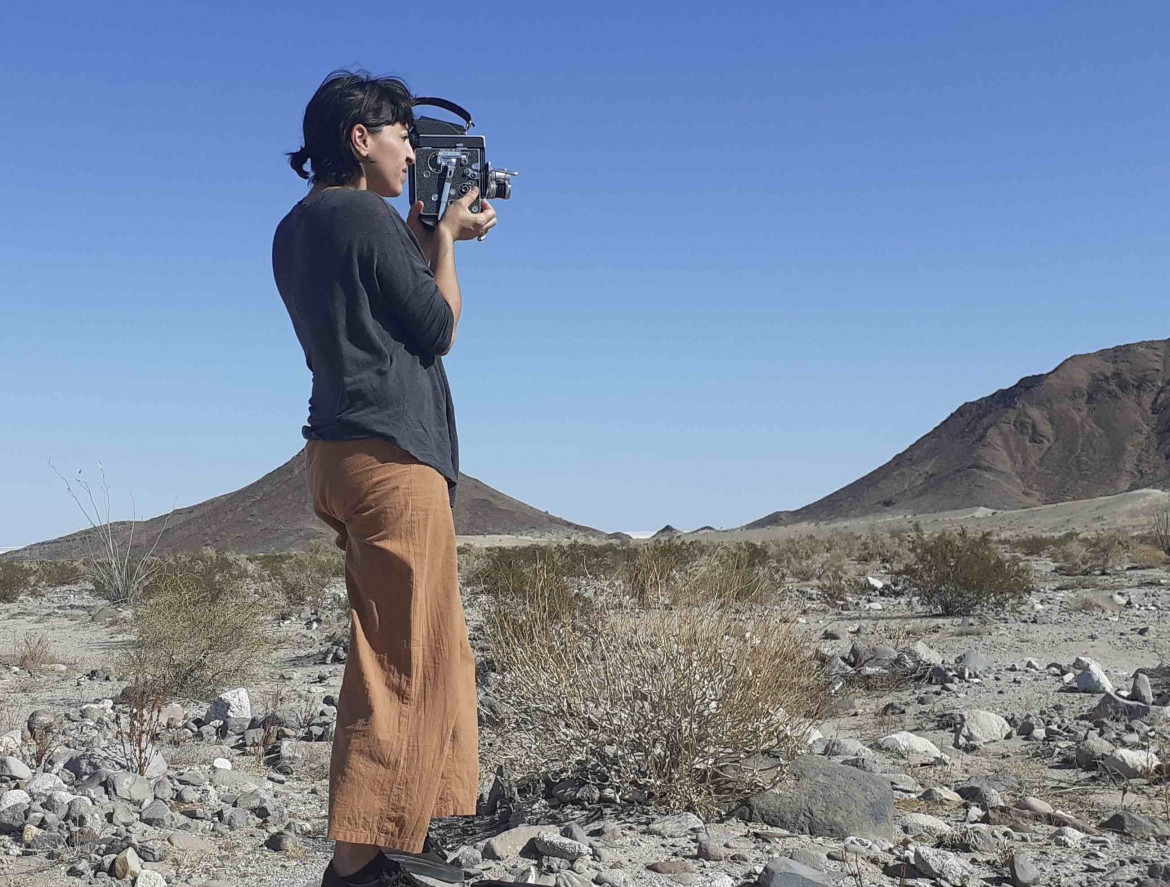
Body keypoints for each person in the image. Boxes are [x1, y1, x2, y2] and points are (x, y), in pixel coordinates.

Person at [271, 68, 496, 887]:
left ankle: (397, 838)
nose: (412, 150)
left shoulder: (302, 225)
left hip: (339, 451)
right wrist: (441, 241)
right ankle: (357, 862)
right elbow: (436, 326)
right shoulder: (363, 214)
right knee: (401, 659)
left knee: (431, 647)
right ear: (359, 139)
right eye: (402, 134)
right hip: (390, 456)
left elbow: (381, 317)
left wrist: (419, 233)